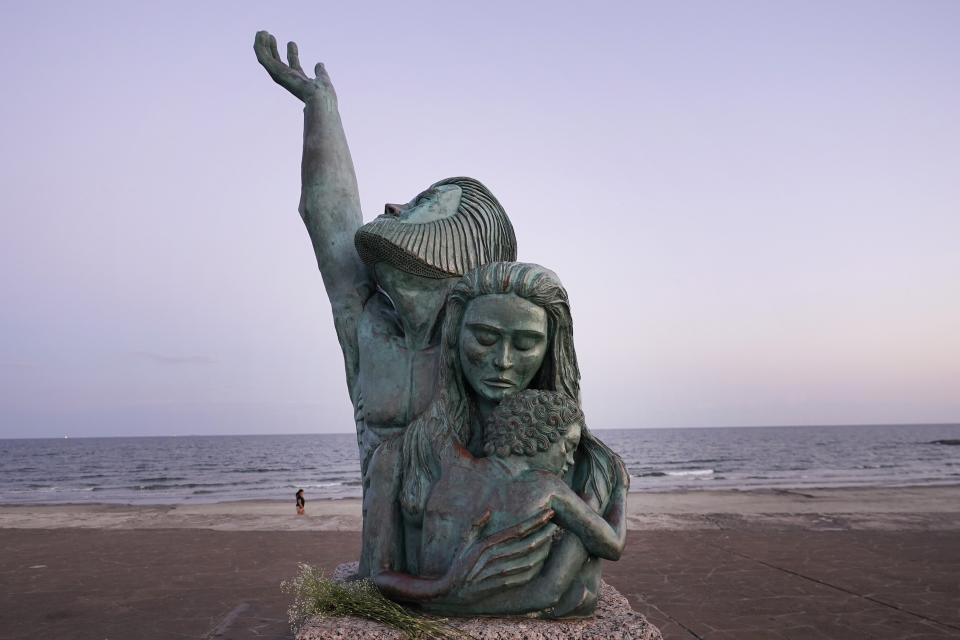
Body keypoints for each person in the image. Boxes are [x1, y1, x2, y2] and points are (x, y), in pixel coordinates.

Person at [366, 262, 629, 617]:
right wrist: (442, 587)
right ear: (455, 336)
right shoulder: (398, 458)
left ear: (551, 347)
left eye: (525, 344)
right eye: (485, 338)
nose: (503, 361)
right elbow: (375, 575)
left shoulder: (591, 465)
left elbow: (575, 592)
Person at [418, 390, 626, 596]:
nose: (571, 460)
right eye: (568, 446)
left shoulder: (455, 471)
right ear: (539, 437)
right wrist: (620, 490)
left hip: (434, 596)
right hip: (524, 598)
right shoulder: (547, 486)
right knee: (583, 538)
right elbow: (613, 545)